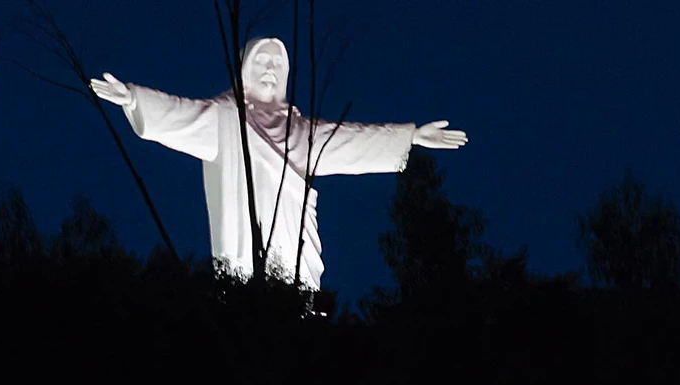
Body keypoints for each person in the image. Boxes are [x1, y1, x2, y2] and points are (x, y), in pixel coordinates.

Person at [91, 37, 466, 289]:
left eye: (277, 63)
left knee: (298, 303)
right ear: (245, 69)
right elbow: (180, 113)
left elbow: (352, 138)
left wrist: (410, 136)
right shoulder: (224, 120)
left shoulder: (301, 130)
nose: (270, 69)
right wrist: (134, 99)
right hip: (243, 248)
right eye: (262, 61)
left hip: (293, 238)